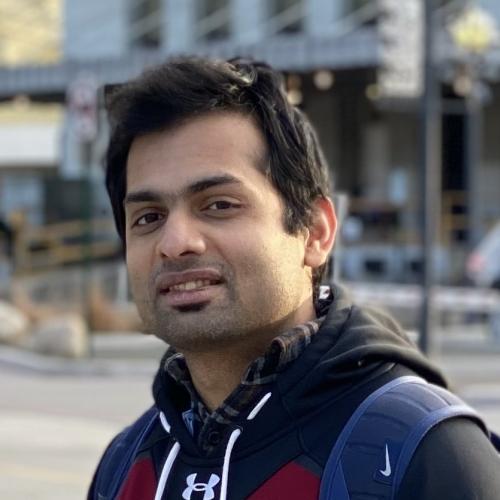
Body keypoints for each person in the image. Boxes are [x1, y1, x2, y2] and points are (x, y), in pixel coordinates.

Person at [88, 57, 500, 500]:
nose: (175, 242)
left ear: (315, 233)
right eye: (148, 217)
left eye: (219, 205)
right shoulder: (124, 466)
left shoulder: (426, 455)